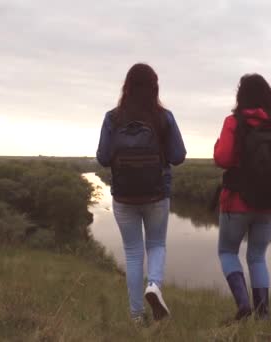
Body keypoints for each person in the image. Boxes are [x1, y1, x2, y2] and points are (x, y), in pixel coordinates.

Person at [96, 63, 186, 323]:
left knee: (133, 253)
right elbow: (178, 156)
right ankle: (154, 285)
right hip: (157, 195)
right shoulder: (164, 117)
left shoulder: (112, 118)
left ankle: (136, 317)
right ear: (154, 87)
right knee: (156, 244)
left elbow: (102, 158)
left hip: (124, 197)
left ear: (127, 86)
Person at [213, 74, 271, 321]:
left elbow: (223, 159)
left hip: (237, 202)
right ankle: (263, 315)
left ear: (241, 95)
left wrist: (218, 145)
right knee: (257, 256)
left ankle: (243, 304)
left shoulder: (234, 121)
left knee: (228, 252)